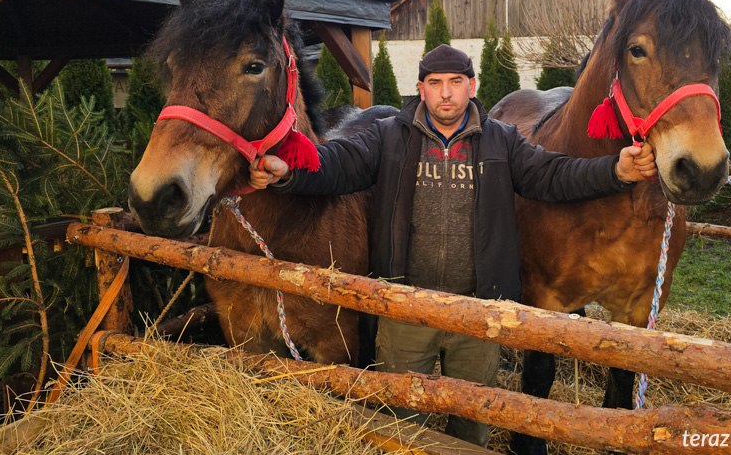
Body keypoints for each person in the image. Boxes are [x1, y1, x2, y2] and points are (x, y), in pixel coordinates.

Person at [249, 44, 656, 447]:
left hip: (478, 314)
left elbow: (555, 175)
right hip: (405, 308)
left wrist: (615, 170)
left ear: (471, 86)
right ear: (421, 89)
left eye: (456, 82)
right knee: (402, 422)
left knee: (473, 424)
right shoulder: (389, 137)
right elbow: (337, 164)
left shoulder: (502, 140)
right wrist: (289, 174)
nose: (446, 93)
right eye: (435, 83)